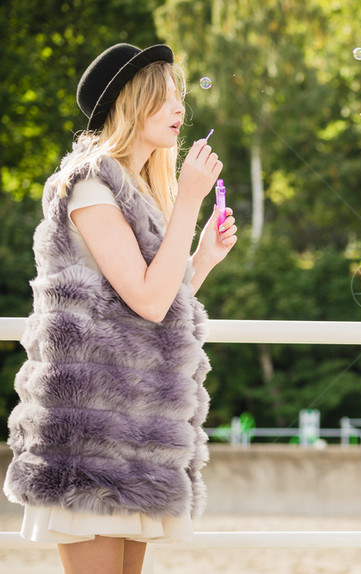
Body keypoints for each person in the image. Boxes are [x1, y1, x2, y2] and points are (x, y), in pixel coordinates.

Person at [3, 43, 238, 574]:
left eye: (180, 98)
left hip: (135, 425)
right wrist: (191, 201)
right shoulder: (89, 186)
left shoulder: (137, 194)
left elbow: (153, 303)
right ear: (131, 105)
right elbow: (151, 302)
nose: (180, 109)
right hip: (89, 430)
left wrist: (203, 256)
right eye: (164, 99)